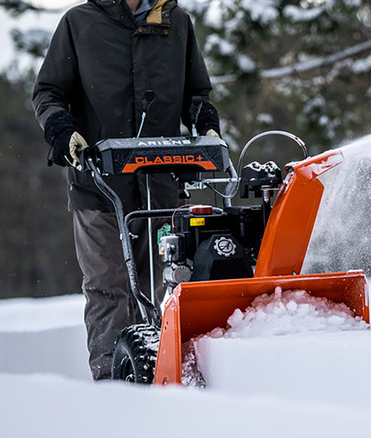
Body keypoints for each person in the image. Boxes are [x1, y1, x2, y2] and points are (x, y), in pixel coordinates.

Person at [32, 0, 220, 380]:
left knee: (171, 289)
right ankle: (115, 389)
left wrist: (206, 125)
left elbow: (196, 95)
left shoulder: (176, 22)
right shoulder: (79, 23)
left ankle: (178, 382)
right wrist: (63, 131)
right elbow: (48, 92)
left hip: (163, 187)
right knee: (109, 289)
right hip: (99, 187)